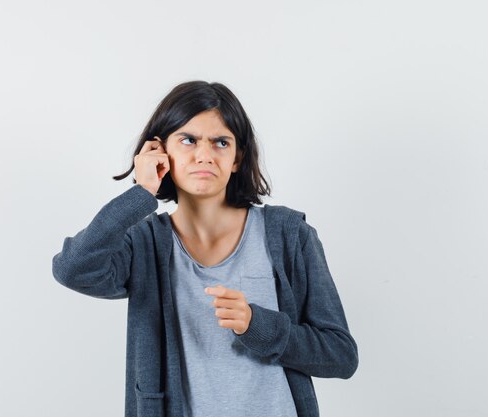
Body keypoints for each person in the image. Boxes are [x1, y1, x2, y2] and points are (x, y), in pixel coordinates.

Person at [52, 80, 358, 417]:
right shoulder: (143, 244)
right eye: (188, 140)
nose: (204, 155)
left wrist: (257, 324)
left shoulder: (288, 235)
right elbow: (72, 269)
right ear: (159, 151)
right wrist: (141, 193)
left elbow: (340, 356)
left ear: (238, 157)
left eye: (220, 142)